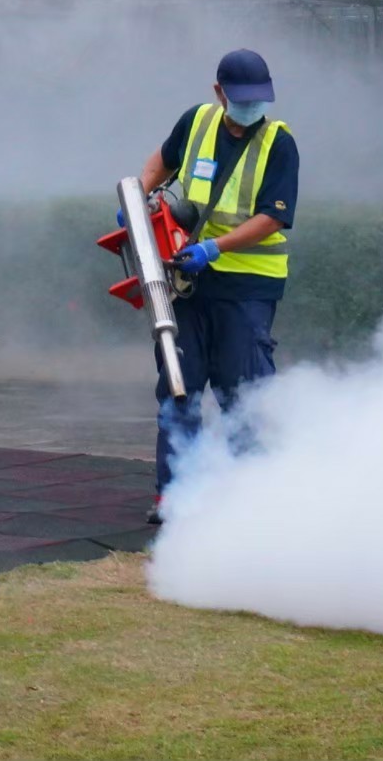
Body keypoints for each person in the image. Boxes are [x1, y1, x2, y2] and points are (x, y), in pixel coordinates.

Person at [135, 49, 300, 525]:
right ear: (218, 92)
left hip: (247, 288)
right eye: (241, 98)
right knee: (179, 386)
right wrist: (140, 196)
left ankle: (246, 496)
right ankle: (176, 495)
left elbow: (273, 217)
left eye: (258, 99)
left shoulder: (278, 142)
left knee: (243, 392)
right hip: (187, 283)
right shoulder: (198, 122)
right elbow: (159, 163)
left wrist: (216, 247)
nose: (251, 108)